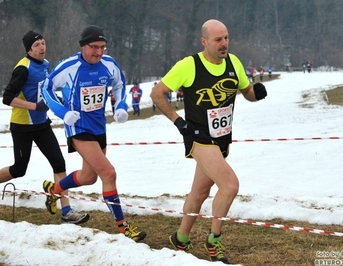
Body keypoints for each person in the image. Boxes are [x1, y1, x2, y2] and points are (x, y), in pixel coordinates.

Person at [150, 19, 267, 264]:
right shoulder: (189, 65)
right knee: (230, 186)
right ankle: (214, 240)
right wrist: (177, 121)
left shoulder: (233, 62)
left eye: (226, 38)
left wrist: (256, 93)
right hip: (199, 138)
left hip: (221, 139)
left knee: (200, 192)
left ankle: (180, 238)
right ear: (204, 42)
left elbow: (245, 92)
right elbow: (157, 93)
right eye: (218, 40)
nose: (224, 44)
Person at [40, 25, 146, 242]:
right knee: (109, 173)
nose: (99, 52)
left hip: (99, 127)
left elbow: (120, 84)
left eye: (102, 47)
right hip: (78, 127)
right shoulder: (69, 67)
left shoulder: (109, 64)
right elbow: (46, 88)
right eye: (94, 47)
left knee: (89, 177)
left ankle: (54, 190)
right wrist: (62, 112)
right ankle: (123, 227)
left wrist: (121, 105)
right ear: (83, 46)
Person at [0, 31, 89, 225]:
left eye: (43, 43)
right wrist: (34, 106)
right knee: (18, 169)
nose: (42, 47)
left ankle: (67, 211)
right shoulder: (22, 69)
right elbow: (7, 98)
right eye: (37, 45)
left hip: (42, 124)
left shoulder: (46, 64)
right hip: (23, 126)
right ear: (29, 50)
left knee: (59, 163)